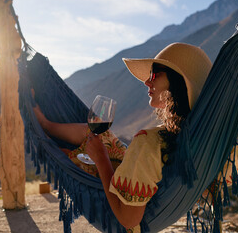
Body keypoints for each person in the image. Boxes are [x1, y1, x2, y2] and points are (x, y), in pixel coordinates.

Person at [33, 42, 213, 231]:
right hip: (146, 180)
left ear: (177, 83)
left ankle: (51, 143)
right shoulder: (197, 135)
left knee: (82, 156)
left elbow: (128, 219)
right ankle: (47, 125)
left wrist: (102, 160)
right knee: (99, 136)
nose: (147, 82)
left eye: (154, 74)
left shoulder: (148, 141)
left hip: (122, 214)